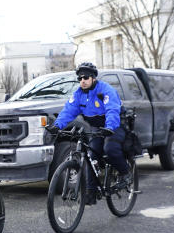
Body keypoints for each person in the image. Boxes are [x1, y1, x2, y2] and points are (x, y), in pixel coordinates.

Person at [47, 61, 131, 206]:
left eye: (85, 78)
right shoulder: (78, 95)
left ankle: (125, 173)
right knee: (91, 156)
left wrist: (110, 126)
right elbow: (68, 111)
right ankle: (90, 192)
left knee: (110, 149)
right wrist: (57, 126)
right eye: (80, 78)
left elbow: (112, 110)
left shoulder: (105, 90)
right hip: (97, 127)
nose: (82, 81)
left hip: (115, 124)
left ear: (93, 78)